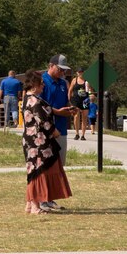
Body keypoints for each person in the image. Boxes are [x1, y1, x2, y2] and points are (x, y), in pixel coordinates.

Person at [21, 69, 72, 213]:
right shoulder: (35, 101)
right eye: (41, 83)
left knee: (34, 171)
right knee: (39, 171)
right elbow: (43, 121)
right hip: (38, 142)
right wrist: (55, 132)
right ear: (34, 84)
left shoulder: (27, 98)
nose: (43, 86)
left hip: (31, 141)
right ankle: (36, 205)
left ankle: (30, 203)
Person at [39, 54, 77, 213]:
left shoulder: (64, 83)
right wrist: (57, 112)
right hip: (46, 130)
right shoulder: (42, 82)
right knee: (45, 164)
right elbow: (39, 106)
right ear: (51, 65)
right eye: (60, 69)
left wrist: (70, 108)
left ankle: (50, 198)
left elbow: (64, 103)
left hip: (61, 129)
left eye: (64, 70)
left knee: (59, 165)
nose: (62, 72)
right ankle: (42, 199)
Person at [68, 69, 94, 140]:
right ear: (77, 73)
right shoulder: (74, 80)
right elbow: (70, 90)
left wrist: (90, 93)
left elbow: (90, 91)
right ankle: (77, 133)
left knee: (84, 117)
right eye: (79, 72)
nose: (80, 73)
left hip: (85, 101)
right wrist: (69, 100)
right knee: (76, 116)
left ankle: (83, 135)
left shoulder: (87, 81)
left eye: (82, 72)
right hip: (75, 101)